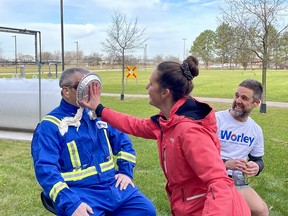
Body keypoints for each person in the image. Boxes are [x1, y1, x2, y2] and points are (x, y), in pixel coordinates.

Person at [80, 56, 251, 215]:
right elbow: (135, 125)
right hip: (191, 206)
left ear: (165, 93)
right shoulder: (168, 122)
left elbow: (219, 182)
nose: (147, 88)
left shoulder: (189, 131)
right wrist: (100, 109)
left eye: (151, 84)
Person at [31, 68, 156, 216]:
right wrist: (71, 202)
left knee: (146, 211)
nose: (90, 90)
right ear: (66, 91)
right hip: (78, 192)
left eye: (93, 85)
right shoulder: (50, 126)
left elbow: (125, 145)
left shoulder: (100, 116)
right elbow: (45, 169)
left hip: (112, 187)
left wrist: (125, 173)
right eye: (83, 85)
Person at [215, 79, 269, 216]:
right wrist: (226, 164)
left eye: (244, 98)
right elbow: (199, 157)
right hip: (213, 178)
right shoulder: (216, 120)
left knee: (261, 211)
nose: (238, 101)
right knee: (234, 212)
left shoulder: (255, 130)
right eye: (236, 95)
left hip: (237, 181)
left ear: (256, 103)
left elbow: (258, 160)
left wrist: (256, 167)